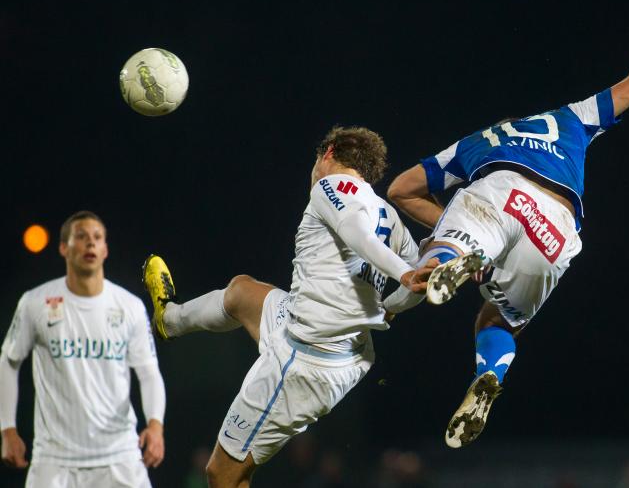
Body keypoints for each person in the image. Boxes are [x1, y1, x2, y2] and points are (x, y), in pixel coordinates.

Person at [387, 26, 629, 448]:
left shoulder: (477, 143)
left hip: (500, 191)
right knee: (498, 320)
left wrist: (456, 231)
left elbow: (400, 189)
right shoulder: (571, 118)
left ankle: (451, 257)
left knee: (439, 248)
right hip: (556, 230)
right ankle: (490, 372)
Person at [142, 126, 435, 488]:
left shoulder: (330, 186)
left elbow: (357, 234)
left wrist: (404, 274)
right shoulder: (389, 216)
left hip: (304, 361)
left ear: (328, 152)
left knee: (223, 474)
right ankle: (169, 319)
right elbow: (421, 285)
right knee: (241, 292)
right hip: (330, 343)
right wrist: (393, 302)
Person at [0, 211, 166, 487]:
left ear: (105, 250)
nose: (90, 243)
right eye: (81, 236)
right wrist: (7, 429)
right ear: (63, 248)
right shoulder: (35, 303)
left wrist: (155, 425)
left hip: (119, 456)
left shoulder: (130, 306)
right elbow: (8, 361)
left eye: (97, 237)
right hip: (54, 460)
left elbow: (149, 372)